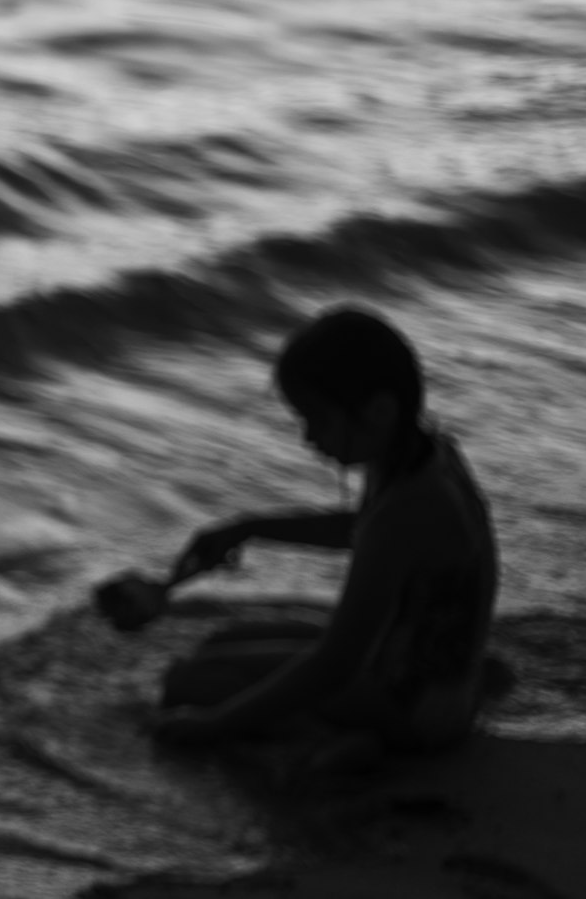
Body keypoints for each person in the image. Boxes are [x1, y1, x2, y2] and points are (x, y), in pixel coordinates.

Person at [138, 308, 502, 755]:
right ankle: (338, 730)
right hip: (432, 677)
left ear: (380, 411)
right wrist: (249, 529)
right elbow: (364, 532)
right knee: (221, 643)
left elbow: (336, 665)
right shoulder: (427, 456)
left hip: (420, 710)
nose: (308, 438)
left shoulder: (405, 512)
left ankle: (331, 743)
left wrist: (212, 726)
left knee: (189, 682)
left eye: (317, 420)